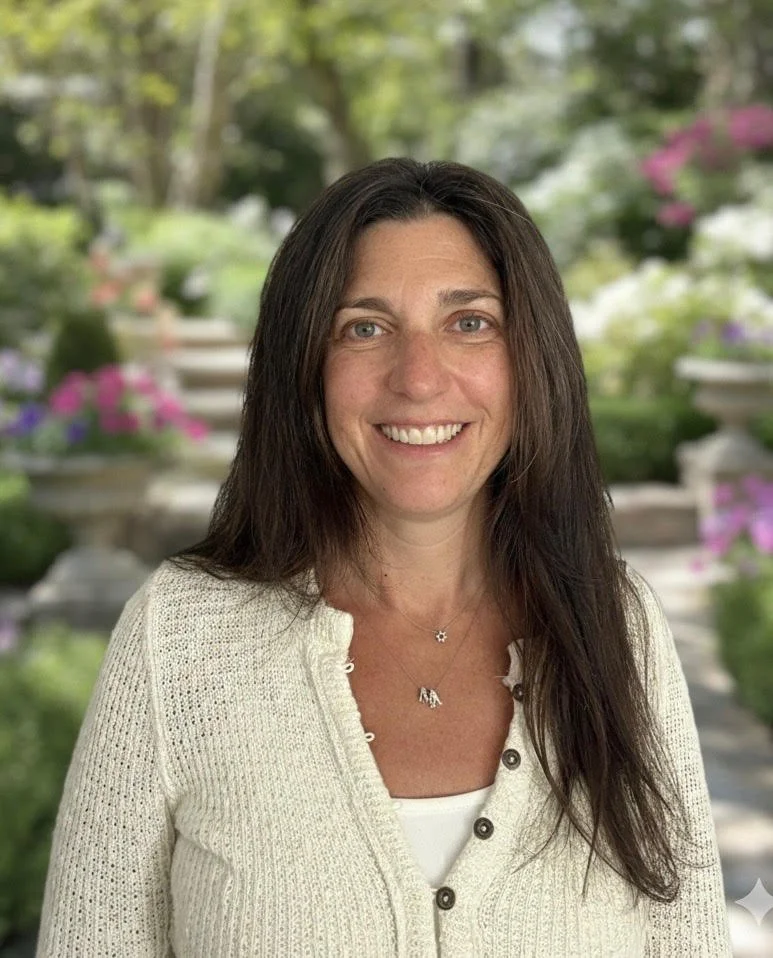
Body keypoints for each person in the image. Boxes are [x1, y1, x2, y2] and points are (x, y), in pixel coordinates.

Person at [36, 158, 732, 957]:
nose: (419, 378)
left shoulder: (618, 622)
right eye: (364, 328)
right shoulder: (179, 641)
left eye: (468, 322)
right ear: (306, 368)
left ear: (530, 359)